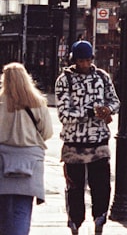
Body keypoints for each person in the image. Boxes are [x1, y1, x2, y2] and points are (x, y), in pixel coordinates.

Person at [55, 40, 120, 235]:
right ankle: (75, 222)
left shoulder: (102, 77)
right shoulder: (64, 80)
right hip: (73, 144)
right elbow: (64, 114)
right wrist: (90, 112)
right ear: (73, 60)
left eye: (87, 60)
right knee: (75, 189)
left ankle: (100, 219)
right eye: (80, 61)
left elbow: (115, 100)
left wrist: (109, 109)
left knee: (101, 186)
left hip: (99, 142)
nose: (84, 64)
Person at [0, 62, 53, 235]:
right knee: (23, 208)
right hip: (31, 160)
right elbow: (47, 132)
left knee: (4, 209)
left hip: (3, 159)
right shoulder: (38, 102)